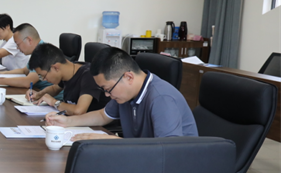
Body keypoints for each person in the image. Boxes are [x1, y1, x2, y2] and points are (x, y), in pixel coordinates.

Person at [46, 46, 198, 140]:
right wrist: (67, 122)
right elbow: (102, 116)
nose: (107, 95)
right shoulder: (126, 95)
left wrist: (114, 142)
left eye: (107, 89)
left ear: (128, 77)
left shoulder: (161, 99)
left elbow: (168, 151)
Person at [26, 43, 106, 115]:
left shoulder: (88, 75)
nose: (44, 79)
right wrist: (38, 95)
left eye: (43, 76)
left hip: (94, 125)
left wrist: (54, 102)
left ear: (55, 67)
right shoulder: (67, 71)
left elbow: (79, 111)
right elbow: (54, 89)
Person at [0, 23, 52, 92]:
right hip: (37, 92)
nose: (17, 48)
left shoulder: (43, 53)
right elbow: (24, 71)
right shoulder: (38, 50)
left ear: (29, 40)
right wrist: (2, 73)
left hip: (47, 95)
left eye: (18, 44)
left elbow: (27, 82)